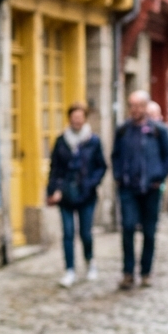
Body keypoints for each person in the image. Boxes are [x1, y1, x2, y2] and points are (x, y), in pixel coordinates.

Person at [112, 90, 168, 289]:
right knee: (128, 228)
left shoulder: (158, 130)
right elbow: (115, 155)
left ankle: (146, 272)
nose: (135, 110)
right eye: (132, 105)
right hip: (129, 188)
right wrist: (119, 176)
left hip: (151, 188)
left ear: (146, 107)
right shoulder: (123, 130)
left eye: (139, 105)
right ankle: (128, 272)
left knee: (149, 231)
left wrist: (159, 176)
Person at [46, 103, 107, 288]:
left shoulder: (93, 141)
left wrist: (90, 184)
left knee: (85, 233)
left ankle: (90, 262)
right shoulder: (61, 141)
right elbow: (55, 168)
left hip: (86, 194)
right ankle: (69, 269)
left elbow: (101, 166)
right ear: (69, 118)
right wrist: (53, 189)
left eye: (80, 117)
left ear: (85, 119)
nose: (77, 120)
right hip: (66, 194)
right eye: (74, 117)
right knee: (68, 233)